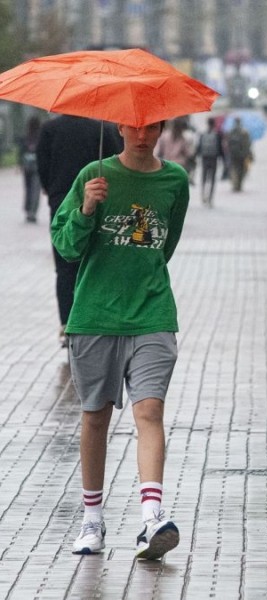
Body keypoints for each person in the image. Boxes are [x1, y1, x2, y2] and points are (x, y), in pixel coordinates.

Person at [51, 120, 190, 560]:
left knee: (149, 410)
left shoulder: (175, 180)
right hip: (94, 315)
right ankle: (92, 520)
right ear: (119, 127)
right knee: (94, 418)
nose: (142, 134)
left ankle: (152, 517)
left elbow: (165, 246)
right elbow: (66, 247)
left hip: (152, 312)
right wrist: (87, 211)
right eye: (133, 127)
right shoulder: (94, 176)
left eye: (151, 127)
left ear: (162, 127)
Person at [37, 115, 124, 347]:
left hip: (60, 198)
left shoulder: (49, 129)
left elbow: (42, 166)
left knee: (64, 265)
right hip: (98, 197)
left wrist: (52, 189)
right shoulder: (102, 129)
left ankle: (66, 323)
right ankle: (95, 319)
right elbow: (117, 161)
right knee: (94, 260)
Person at [18, 115, 42, 223]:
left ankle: (28, 210)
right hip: (37, 167)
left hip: (27, 166)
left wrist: (20, 164)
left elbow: (21, 152)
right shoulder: (41, 137)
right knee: (35, 190)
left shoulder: (25, 137)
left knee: (28, 189)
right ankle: (33, 211)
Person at [196, 116, 225, 206]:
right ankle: (210, 198)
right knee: (212, 179)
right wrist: (223, 159)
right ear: (214, 124)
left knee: (204, 178)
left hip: (204, 158)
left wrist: (195, 157)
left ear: (207, 123)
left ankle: (203, 196)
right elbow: (220, 149)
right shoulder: (217, 135)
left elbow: (198, 148)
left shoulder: (202, 134)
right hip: (214, 158)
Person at [226, 117, 253, 192]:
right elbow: (248, 144)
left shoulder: (231, 132)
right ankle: (239, 184)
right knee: (242, 170)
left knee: (234, 169)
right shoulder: (244, 132)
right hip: (243, 155)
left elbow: (228, 143)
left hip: (233, 154)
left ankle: (235, 184)